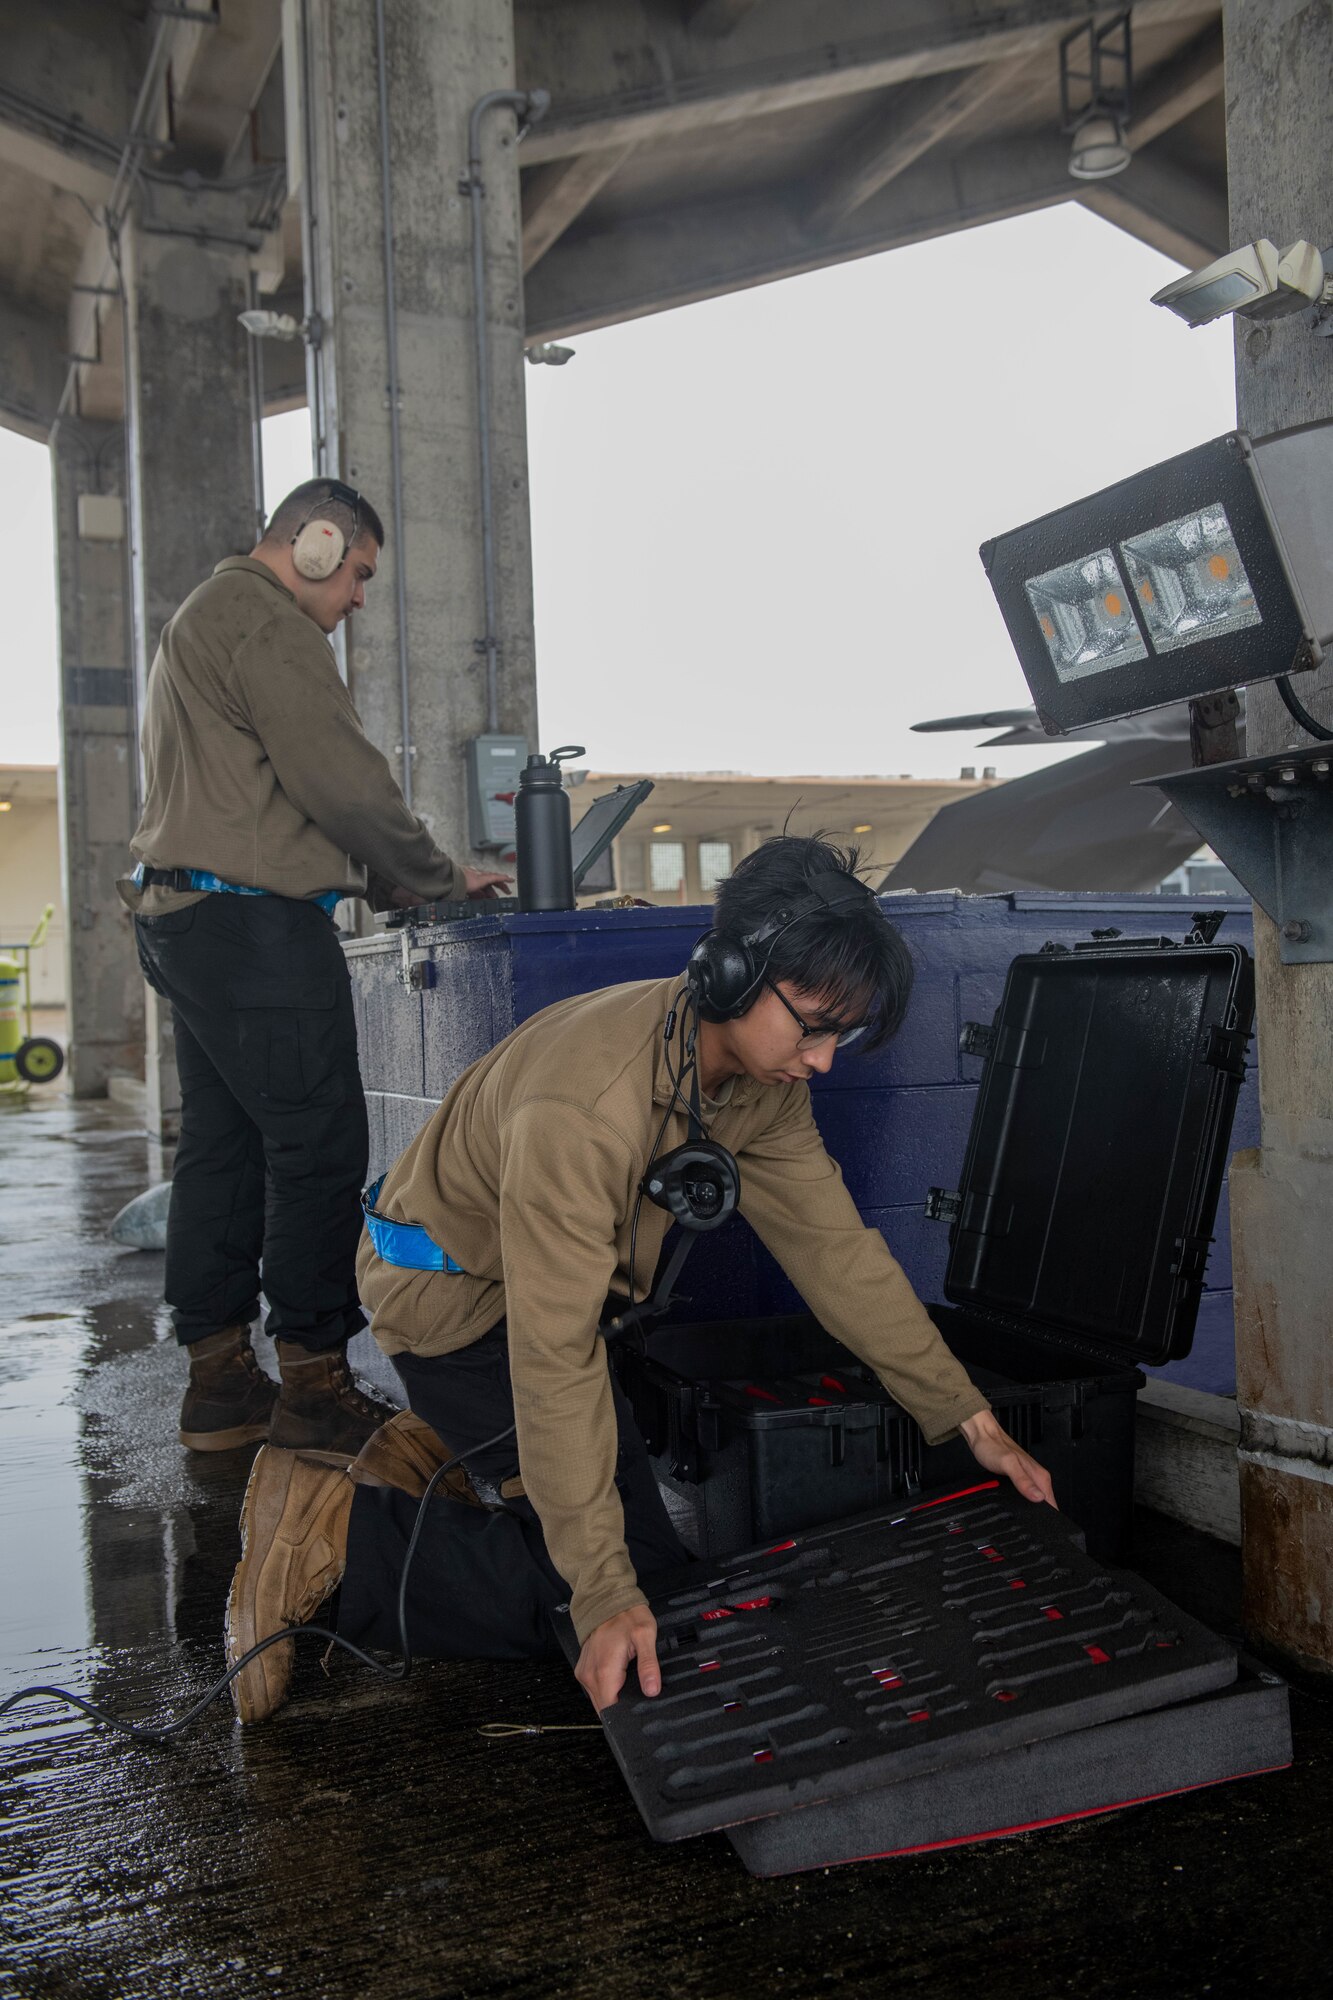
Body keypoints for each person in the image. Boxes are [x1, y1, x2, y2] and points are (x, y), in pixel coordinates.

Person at [223, 835, 1056, 1723]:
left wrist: (965, 1417)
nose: (821, 1060)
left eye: (838, 1034)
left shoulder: (754, 1081)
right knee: (624, 1597)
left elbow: (836, 1253)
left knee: (632, 1557)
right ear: (730, 975)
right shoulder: (583, 1107)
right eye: (812, 1025)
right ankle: (339, 1538)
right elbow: (554, 1354)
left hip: (540, 1304)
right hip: (459, 1313)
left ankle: (454, 1456)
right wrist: (601, 1589)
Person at [122, 479, 509, 1457]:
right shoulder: (267, 620)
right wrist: (434, 875)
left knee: (224, 1147)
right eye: (359, 574)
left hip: (187, 918)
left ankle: (219, 1383)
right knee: (320, 1146)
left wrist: (387, 880)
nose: (359, 599)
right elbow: (341, 779)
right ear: (318, 543)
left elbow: (269, 797)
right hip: (253, 928)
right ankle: (315, 1387)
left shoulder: (202, 618)